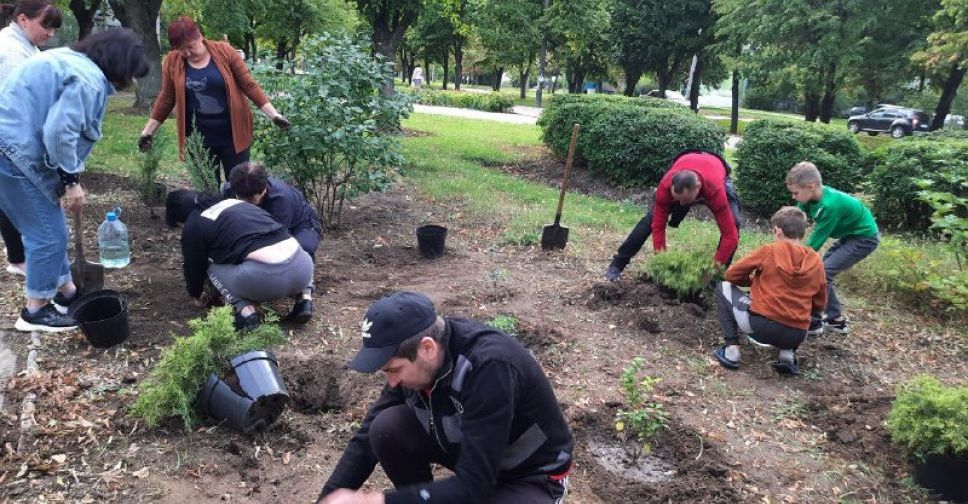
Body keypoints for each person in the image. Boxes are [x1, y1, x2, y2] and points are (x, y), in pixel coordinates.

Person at [318, 291, 573, 504]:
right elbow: (364, 441)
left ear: (427, 348)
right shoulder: (418, 355)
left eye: (394, 370)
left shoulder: (489, 367)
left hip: (531, 476)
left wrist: (382, 501)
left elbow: (474, 485)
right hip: (475, 456)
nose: (392, 381)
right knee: (386, 428)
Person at [0, 29, 148, 332]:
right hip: (13, 154)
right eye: (131, 73)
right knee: (47, 235)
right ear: (119, 63)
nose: (130, 81)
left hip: (9, 149)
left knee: (46, 228)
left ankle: (67, 294)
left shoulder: (68, 60)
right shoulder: (87, 80)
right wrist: (70, 181)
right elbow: (58, 132)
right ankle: (35, 312)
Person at [139, 16, 290, 184]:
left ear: (200, 36)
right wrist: (148, 131)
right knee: (207, 188)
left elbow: (249, 85)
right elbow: (167, 98)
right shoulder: (172, 61)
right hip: (198, 138)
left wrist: (273, 114)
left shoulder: (226, 52)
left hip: (233, 136)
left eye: (190, 47)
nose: (187, 53)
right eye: (181, 50)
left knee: (240, 187)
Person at [713, 207, 827, 375]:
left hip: (761, 329)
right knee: (797, 317)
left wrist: (753, 283)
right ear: (803, 232)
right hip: (797, 334)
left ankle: (732, 351)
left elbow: (731, 274)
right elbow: (820, 302)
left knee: (723, 287)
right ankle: (787, 355)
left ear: (778, 231)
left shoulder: (769, 250)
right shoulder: (816, 260)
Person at [180, 193, 315, 330]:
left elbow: (195, 265)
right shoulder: (241, 205)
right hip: (303, 270)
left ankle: (246, 312)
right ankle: (305, 299)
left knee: (210, 265)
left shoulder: (194, 223)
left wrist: (195, 293)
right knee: (290, 249)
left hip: (263, 280)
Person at [605, 149, 742, 281]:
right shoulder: (665, 187)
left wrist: (712, 269)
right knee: (650, 220)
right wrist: (662, 260)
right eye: (677, 199)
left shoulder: (715, 191)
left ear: (698, 187)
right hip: (686, 161)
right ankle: (618, 263)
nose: (681, 204)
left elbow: (730, 237)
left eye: (686, 200)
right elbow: (658, 226)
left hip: (717, 172)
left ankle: (716, 278)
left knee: (734, 224)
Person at [0, 0, 62, 277]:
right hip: (9, 140)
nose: (50, 33)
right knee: (15, 197)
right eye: (45, 26)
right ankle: (20, 259)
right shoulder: (11, 52)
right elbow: (24, 104)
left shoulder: (26, 46)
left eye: (53, 28)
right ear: (23, 19)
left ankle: (18, 255)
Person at [786, 161, 879, 336]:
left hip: (864, 238)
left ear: (811, 186)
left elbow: (815, 243)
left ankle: (814, 321)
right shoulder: (809, 198)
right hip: (850, 235)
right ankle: (835, 320)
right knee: (821, 272)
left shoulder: (830, 206)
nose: (794, 197)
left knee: (820, 273)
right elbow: (796, 221)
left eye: (796, 193)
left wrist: (793, 260)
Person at [224, 162, 322, 259]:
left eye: (250, 200)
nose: (246, 203)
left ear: (263, 190)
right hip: (261, 226)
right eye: (242, 198)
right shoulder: (234, 187)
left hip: (300, 226)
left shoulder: (281, 199)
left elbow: (276, 238)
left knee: (296, 253)